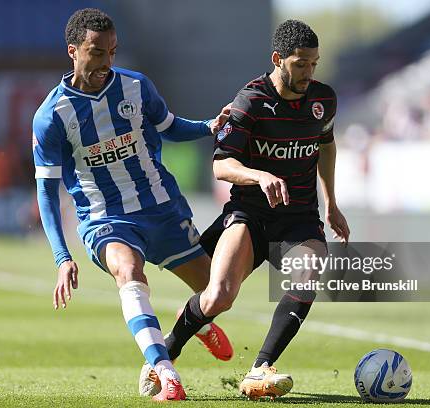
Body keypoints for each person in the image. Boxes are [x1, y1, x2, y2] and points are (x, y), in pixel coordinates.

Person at [32, 8, 233, 401]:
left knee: (219, 292)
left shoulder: (136, 87)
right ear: (73, 51)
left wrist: (209, 126)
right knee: (128, 271)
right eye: (96, 53)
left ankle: (188, 321)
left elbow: (170, 127)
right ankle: (166, 372)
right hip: (104, 216)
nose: (106, 63)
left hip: (160, 206)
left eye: (112, 52)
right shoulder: (51, 116)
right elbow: (45, 191)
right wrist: (62, 256)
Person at [147, 19, 350, 400]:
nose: (308, 73)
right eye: (300, 64)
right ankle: (165, 353)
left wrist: (332, 202)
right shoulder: (251, 101)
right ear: (278, 59)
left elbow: (326, 145)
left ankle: (259, 369)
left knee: (308, 272)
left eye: (314, 64)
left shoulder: (324, 100)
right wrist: (260, 176)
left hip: (299, 216)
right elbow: (221, 165)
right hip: (250, 213)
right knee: (218, 297)